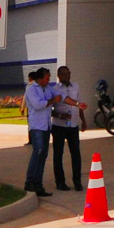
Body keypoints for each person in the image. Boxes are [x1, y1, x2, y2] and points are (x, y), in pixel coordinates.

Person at [21, 68, 60, 198]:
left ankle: (38, 184)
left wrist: (76, 103)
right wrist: (53, 101)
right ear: (40, 78)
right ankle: (30, 182)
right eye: (47, 78)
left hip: (46, 126)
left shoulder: (48, 88)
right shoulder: (31, 89)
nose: (49, 80)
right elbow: (38, 105)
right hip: (37, 126)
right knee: (38, 151)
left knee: (43, 155)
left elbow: (59, 96)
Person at [50, 65, 85, 193]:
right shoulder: (54, 89)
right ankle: (60, 182)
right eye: (65, 74)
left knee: (76, 154)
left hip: (73, 126)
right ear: (59, 76)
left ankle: (77, 181)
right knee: (58, 154)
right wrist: (60, 115)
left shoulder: (75, 86)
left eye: (69, 73)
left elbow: (79, 104)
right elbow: (49, 110)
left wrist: (83, 120)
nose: (68, 76)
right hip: (59, 127)